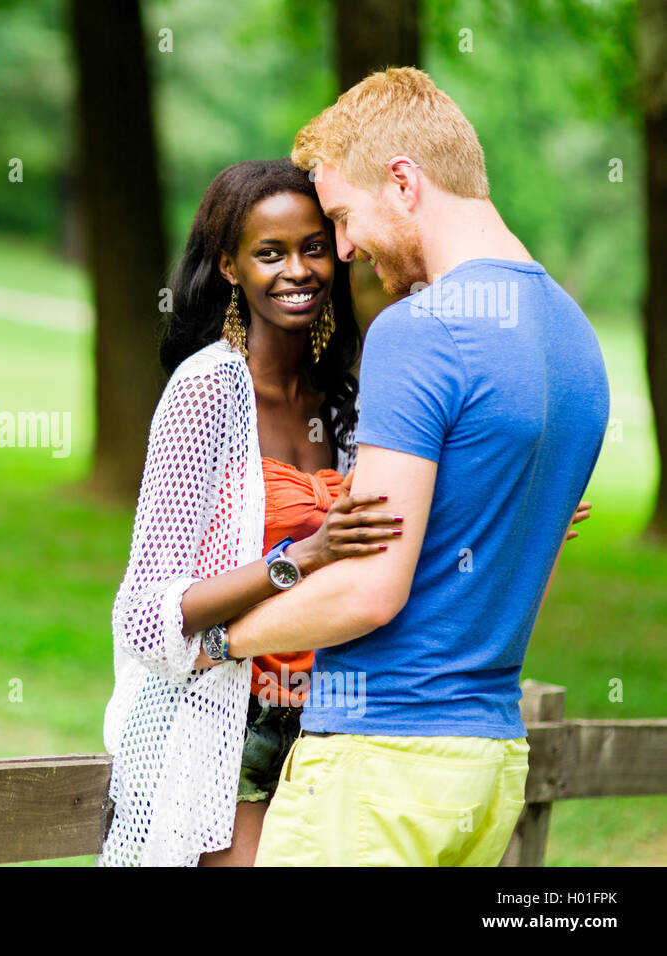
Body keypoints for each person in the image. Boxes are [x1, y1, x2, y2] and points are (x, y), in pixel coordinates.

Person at [217, 67, 610, 866]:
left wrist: (220, 639)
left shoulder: (420, 329)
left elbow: (369, 586)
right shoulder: (577, 340)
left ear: (403, 181)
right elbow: (510, 556)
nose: (347, 249)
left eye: (342, 216)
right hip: (487, 769)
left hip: (378, 769)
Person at [96, 158, 404, 867]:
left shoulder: (346, 402)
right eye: (271, 253)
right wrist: (298, 560)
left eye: (314, 247)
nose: (298, 270)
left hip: (333, 724)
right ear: (231, 267)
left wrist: (517, 506)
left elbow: (389, 537)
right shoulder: (204, 392)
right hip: (226, 723)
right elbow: (145, 615)